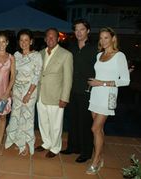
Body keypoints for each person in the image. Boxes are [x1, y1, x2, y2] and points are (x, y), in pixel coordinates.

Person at [86, 27, 130, 175]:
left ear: (113, 39)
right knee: (99, 130)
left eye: (106, 37)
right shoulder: (99, 55)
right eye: (101, 38)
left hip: (108, 95)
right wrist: (95, 84)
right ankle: (100, 156)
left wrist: (102, 83)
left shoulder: (119, 56)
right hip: (95, 95)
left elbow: (125, 81)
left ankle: (96, 160)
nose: (103, 40)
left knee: (95, 129)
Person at [60, 19, 97, 163]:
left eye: (82, 29)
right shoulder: (71, 47)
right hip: (72, 89)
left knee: (85, 122)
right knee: (72, 120)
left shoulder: (95, 48)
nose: (79, 32)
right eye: (76, 30)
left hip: (87, 90)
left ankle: (86, 152)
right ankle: (72, 147)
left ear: (88, 31)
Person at [35, 28, 73, 158]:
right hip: (40, 94)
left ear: (58, 39)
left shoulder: (66, 55)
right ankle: (46, 142)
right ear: (45, 39)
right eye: (48, 37)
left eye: (53, 37)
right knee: (43, 122)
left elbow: (68, 79)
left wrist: (65, 98)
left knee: (55, 124)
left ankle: (56, 147)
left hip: (56, 96)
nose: (50, 39)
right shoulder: (40, 53)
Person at [5, 29, 43, 156]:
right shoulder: (16, 55)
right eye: (21, 40)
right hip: (16, 89)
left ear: (31, 41)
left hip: (29, 90)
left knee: (27, 117)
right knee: (16, 115)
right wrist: (10, 89)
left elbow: (36, 76)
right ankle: (18, 141)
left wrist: (28, 94)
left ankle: (26, 144)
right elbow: (13, 74)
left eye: (26, 40)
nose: (24, 42)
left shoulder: (37, 56)